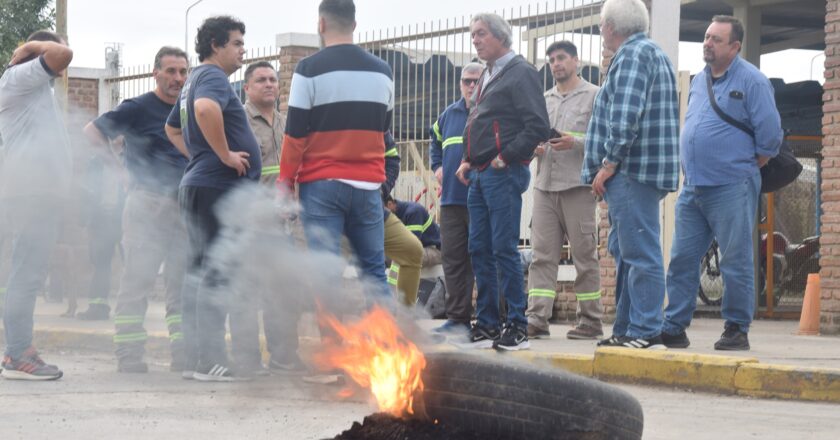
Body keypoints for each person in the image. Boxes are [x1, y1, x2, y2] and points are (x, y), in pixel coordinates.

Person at [661, 15, 782, 351]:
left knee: (735, 260)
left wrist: (743, 164)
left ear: (735, 46)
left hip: (732, 185)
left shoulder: (753, 81)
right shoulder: (700, 81)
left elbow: (770, 138)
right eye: (706, 36)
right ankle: (673, 327)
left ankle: (736, 328)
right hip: (693, 188)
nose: (707, 43)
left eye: (716, 39)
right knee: (682, 259)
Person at [165, 16, 262, 381]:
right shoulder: (212, 77)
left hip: (201, 185)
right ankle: (210, 358)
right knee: (216, 274)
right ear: (216, 46)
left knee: (200, 272)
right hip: (216, 187)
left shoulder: (194, 81)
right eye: (236, 43)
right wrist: (222, 156)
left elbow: (171, 128)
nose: (242, 50)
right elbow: (205, 111)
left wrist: (200, 156)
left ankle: (196, 358)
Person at [84, 46, 190, 373]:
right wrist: (119, 171)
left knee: (181, 285)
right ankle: (129, 357)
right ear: (155, 73)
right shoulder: (138, 107)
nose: (177, 78)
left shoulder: (190, 110)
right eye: (171, 71)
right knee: (137, 282)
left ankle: (183, 355)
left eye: (183, 72)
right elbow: (92, 132)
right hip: (147, 206)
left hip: (184, 208)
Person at [278, 0, 393, 303]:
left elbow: (294, 135)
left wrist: (285, 183)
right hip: (369, 186)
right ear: (354, 25)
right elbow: (383, 129)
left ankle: (332, 348)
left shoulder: (307, 69)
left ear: (321, 24)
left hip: (322, 185)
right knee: (374, 271)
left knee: (326, 275)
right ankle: (384, 345)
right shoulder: (383, 71)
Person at [582, 0, 679, 350]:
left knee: (639, 252)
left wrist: (608, 164)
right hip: (637, 172)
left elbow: (624, 117)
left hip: (630, 171)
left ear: (609, 26)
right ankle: (626, 329)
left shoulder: (632, 55)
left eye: (601, 25)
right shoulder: (649, 52)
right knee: (626, 253)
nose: (601, 31)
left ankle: (646, 330)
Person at [454, 13, 550, 351]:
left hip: (502, 173)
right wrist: (469, 159)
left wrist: (505, 157)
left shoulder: (521, 72)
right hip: (480, 175)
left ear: (500, 36)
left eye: (481, 34)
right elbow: (482, 122)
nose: (475, 40)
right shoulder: (487, 75)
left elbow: (537, 125)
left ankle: (518, 327)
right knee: (479, 248)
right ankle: (488, 324)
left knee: (504, 249)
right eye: (472, 34)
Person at [0, 30, 73, 380]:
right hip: (29, 191)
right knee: (26, 274)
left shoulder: (35, 88)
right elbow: (63, 55)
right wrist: (30, 45)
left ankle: (19, 350)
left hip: (38, 192)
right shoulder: (21, 75)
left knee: (29, 273)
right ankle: (16, 354)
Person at [231, 61, 305, 374]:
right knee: (247, 294)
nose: (269, 84)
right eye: (260, 80)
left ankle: (285, 357)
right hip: (251, 224)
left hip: (282, 225)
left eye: (273, 79)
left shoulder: (287, 123)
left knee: (284, 294)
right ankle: (247, 360)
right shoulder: (239, 122)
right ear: (246, 88)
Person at [526, 41, 603, 340]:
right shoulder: (543, 100)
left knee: (585, 257)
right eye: (552, 60)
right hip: (544, 187)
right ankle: (537, 319)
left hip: (578, 186)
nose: (556, 64)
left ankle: (591, 321)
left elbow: (603, 139)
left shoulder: (595, 96)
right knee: (542, 257)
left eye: (561, 58)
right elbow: (534, 135)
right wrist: (535, 148)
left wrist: (575, 141)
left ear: (576, 61)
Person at [429, 62, 482, 334]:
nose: (471, 86)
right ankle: (457, 317)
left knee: (481, 259)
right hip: (450, 201)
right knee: (451, 259)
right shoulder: (448, 115)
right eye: (466, 81)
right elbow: (434, 141)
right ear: (460, 83)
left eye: (476, 80)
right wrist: (437, 166)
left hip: (479, 200)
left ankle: (485, 319)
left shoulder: (488, 111)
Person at [385, 195, 442, 270]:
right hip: (421, 248)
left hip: (435, 250)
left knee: (403, 257)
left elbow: (412, 246)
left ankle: (396, 282)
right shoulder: (396, 215)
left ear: (390, 204)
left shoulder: (413, 212)